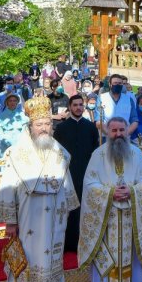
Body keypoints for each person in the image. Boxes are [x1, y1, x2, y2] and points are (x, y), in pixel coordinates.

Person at [0, 97, 80, 282]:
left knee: (52, 261)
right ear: (30, 127)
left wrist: (67, 212)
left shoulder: (61, 153)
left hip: (54, 220)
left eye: (47, 124)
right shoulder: (16, 153)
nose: (44, 128)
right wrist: (10, 222)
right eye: (39, 124)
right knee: (28, 264)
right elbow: (8, 187)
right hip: (28, 218)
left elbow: (67, 186)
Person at [78, 118, 142, 282]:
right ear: (108, 132)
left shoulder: (136, 154)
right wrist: (110, 193)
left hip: (130, 217)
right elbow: (89, 183)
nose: (118, 134)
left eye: (122, 130)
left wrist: (132, 191)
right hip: (107, 217)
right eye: (114, 130)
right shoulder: (98, 154)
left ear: (127, 131)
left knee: (131, 255)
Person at [53, 94, 102, 253]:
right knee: (68, 209)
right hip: (67, 174)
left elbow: (95, 151)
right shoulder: (61, 128)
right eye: (75, 105)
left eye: (81, 104)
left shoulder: (91, 127)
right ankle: (68, 242)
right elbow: (56, 153)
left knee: (85, 207)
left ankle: (85, 239)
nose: (78, 107)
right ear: (70, 106)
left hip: (86, 173)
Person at [0, 91, 28, 156]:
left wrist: (20, 140)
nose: (12, 102)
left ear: (17, 103)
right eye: (10, 101)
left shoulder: (22, 115)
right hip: (6, 146)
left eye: (14, 101)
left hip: (20, 144)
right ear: (7, 103)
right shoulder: (1, 116)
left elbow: (25, 129)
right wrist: (6, 140)